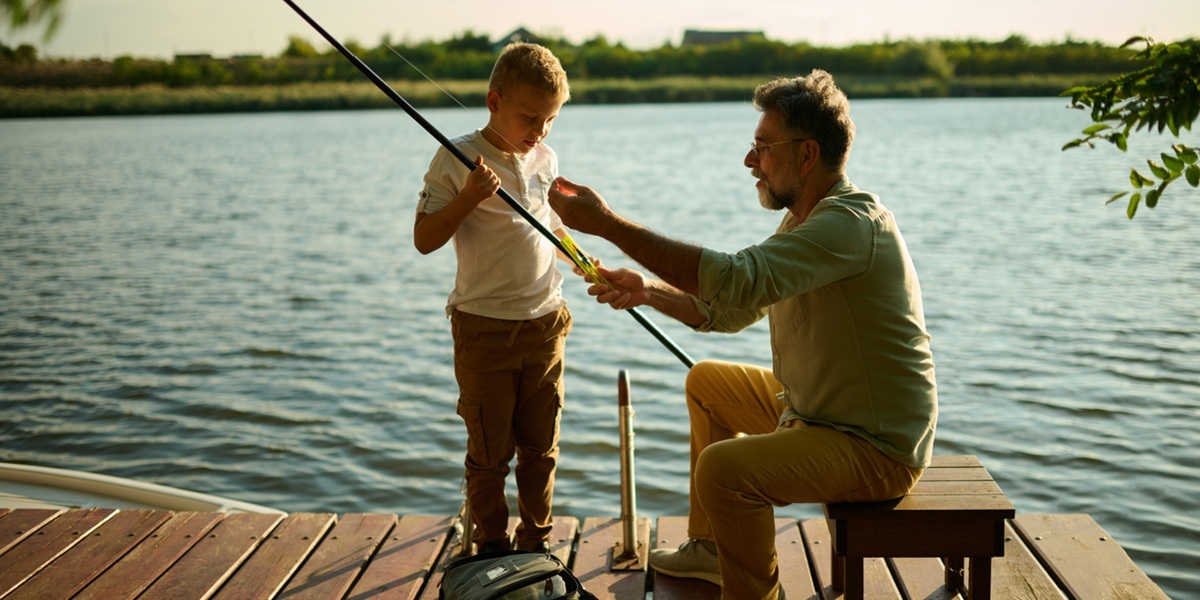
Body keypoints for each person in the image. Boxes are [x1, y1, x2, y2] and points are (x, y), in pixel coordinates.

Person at [547, 69, 938, 600]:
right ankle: (711, 551)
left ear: (806, 154)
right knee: (708, 384)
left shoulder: (849, 225)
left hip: (875, 447)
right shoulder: (805, 222)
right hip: (815, 416)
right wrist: (647, 291)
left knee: (724, 470)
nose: (749, 161)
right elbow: (731, 309)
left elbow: (737, 278)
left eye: (762, 148)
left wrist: (609, 224)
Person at [413, 42, 574, 555]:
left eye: (549, 119)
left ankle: (536, 543)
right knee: (489, 452)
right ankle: (492, 546)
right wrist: (468, 197)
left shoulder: (546, 157)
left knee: (540, 448)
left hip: (546, 323)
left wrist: (586, 264)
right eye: (530, 117)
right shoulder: (456, 156)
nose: (539, 131)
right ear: (493, 100)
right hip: (483, 328)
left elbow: (552, 228)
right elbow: (423, 238)